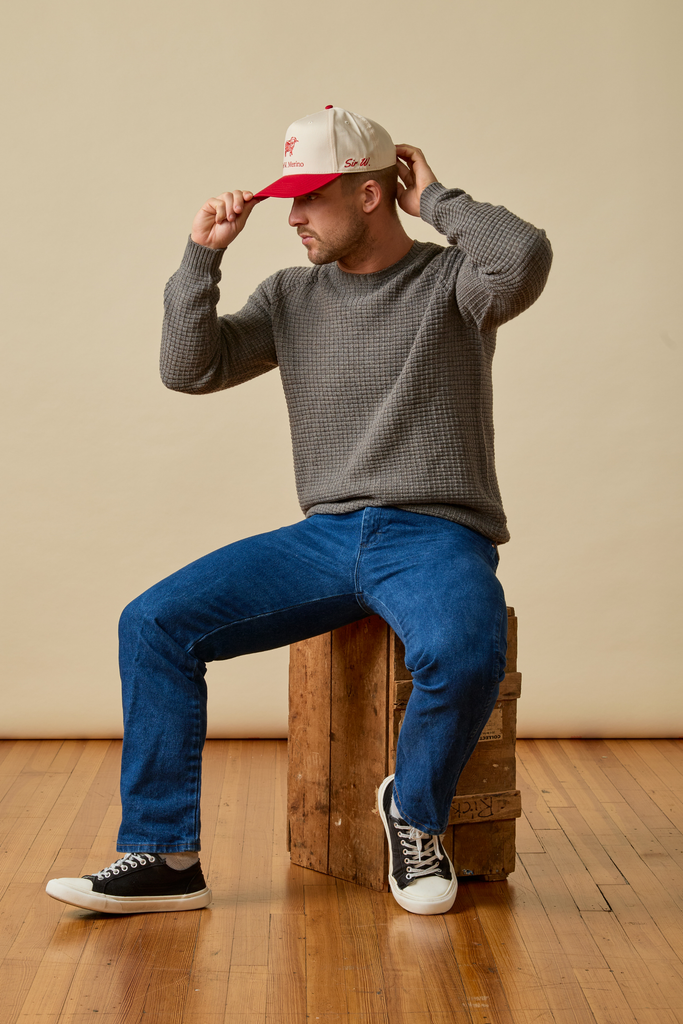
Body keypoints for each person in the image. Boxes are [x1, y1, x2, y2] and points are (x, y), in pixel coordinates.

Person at [46, 106, 552, 917]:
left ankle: (413, 817)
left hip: (433, 535)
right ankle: (167, 857)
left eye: (310, 196)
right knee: (152, 623)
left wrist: (439, 200)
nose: (290, 216)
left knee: (465, 650)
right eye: (288, 196)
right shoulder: (290, 295)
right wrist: (201, 257)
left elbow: (523, 256)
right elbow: (190, 368)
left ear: (369, 195)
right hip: (323, 539)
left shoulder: (453, 283)